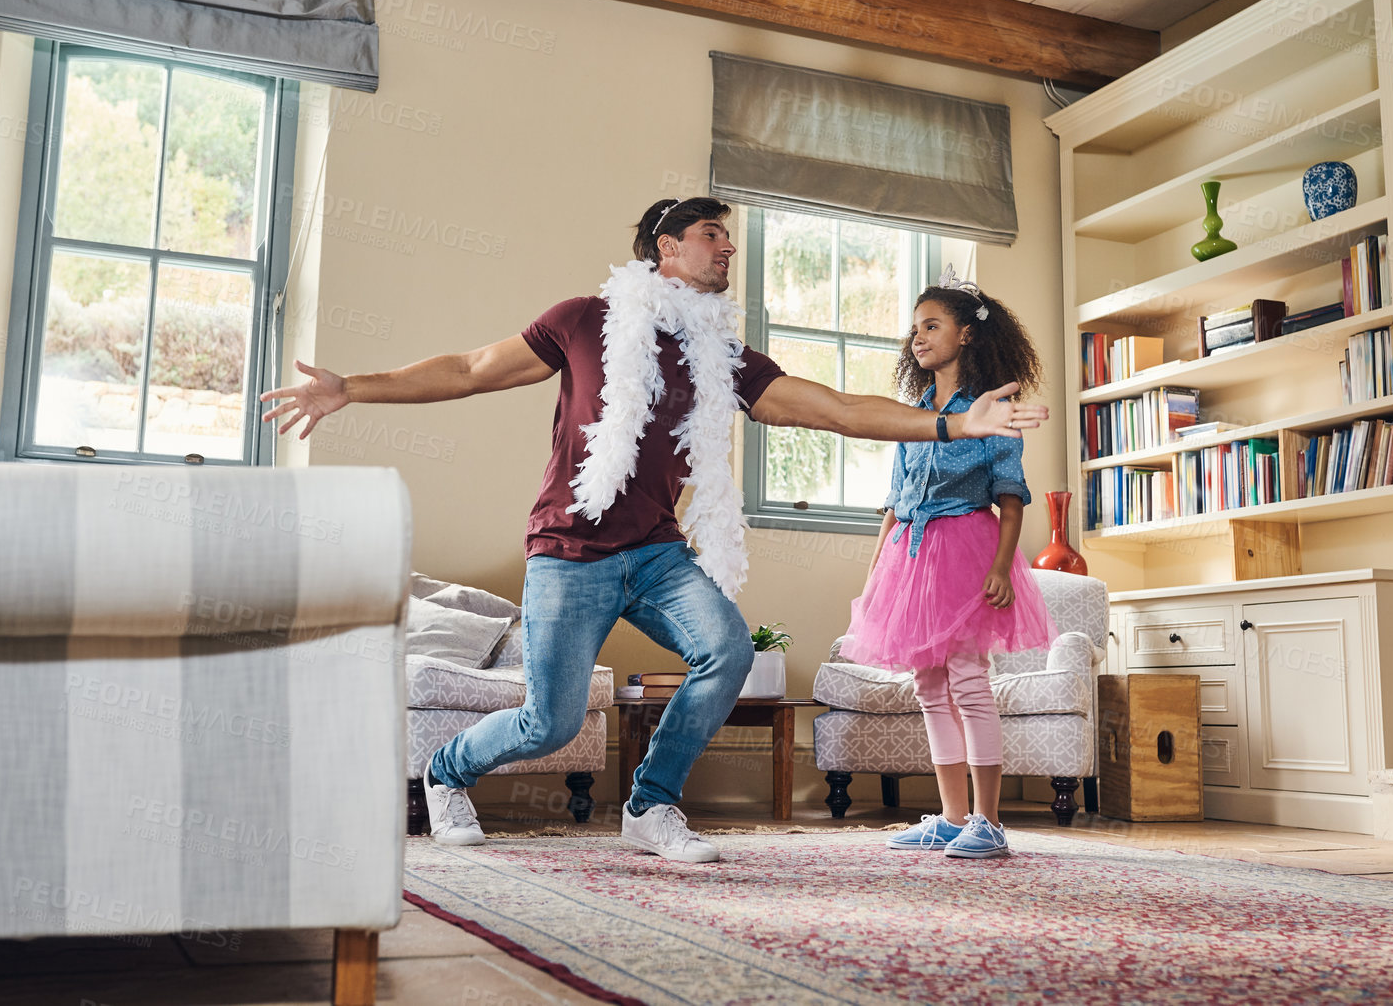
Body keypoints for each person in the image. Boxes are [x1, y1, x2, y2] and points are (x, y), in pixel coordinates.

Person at [260, 199, 1049, 864]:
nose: (728, 247)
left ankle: (650, 801)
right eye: (713, 235)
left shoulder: (723, 355)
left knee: (730, 651)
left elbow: (834, 409)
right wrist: (352, 387)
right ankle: (444, 769)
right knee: (550, 721)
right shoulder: (582, 321)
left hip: (656, 551)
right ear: (666, 246)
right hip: (568, 549)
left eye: (730, 238)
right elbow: (469, 369)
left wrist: (947, 429)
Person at [840, 268, 1058, 861]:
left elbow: (1010, 500)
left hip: (965, 547)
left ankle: (988, 822)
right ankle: (952, 816)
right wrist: (877, 568)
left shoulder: (995, 409)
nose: (918, 337)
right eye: (914, 328)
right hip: (910, 554)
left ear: (966, 334)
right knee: (929, 684)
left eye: (931, 325)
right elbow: (895, 500)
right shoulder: (912, 414)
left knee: (967, 679)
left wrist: (1000, 566)